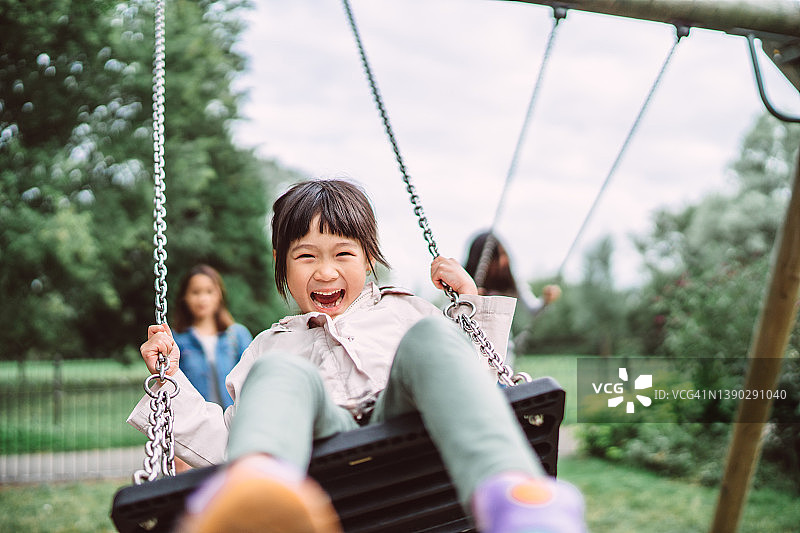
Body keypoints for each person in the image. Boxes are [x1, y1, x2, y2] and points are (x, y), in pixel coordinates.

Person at [129, 179, 585, 533]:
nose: (326, 271)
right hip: (319, 451)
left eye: (343, 253)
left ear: (368, 258)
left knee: (433, 337)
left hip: (405, 429)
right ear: (281, 262)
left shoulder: (406, 310)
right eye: (306, 256)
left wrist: (472, 307)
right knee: (279, 371)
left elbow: (471, 391)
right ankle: (258, 493)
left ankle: (512, 496)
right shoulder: (269, 345)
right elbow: (228, 441)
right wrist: (171, 383)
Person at [465, 231, 561, 360]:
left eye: (503, 255)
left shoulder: (512, 282)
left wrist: (546, 300)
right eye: (495, 258)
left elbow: (533, 310)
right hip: (470, 349)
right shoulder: (465, 282)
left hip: (501, 352)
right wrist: (470, 297)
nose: (501, 262)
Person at [173, 264, 253, 409]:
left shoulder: (237, 336)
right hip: (195, 419)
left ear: (219, 295)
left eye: (209, 292)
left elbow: (252, 380)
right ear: (185, 297)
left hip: (233, 419)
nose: (202, 299)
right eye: (195, 292)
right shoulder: (177, 340)